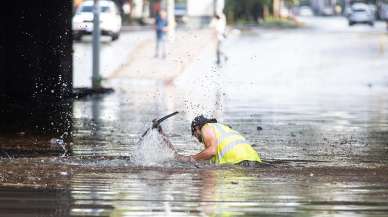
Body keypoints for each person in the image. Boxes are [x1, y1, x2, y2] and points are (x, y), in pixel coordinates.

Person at [175, 115, 262, 166]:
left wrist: (191, 159)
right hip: (255, 160)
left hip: (238, 162)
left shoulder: (205, 127)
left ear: (197, 128)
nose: (197, 139)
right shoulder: (223, 128)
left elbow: (211, 151)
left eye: (194, 134)